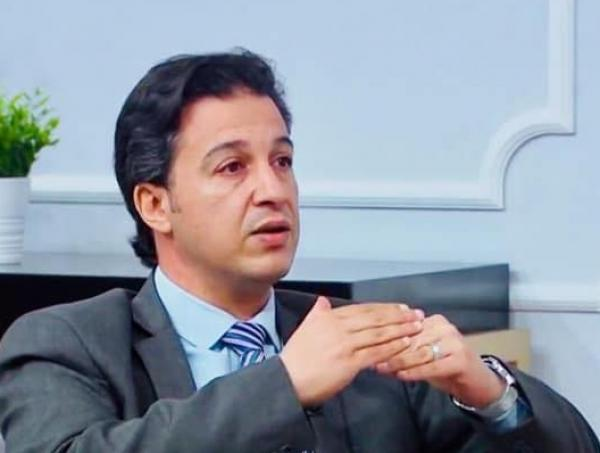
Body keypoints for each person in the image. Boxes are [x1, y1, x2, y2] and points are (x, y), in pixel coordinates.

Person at [0, 50, 597, 453]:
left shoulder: (364, 340)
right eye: (232, 167)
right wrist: (285, 383)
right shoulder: (67, 343)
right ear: (156, 204)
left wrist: (487, 391)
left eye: (282, 161)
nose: (273, 189)